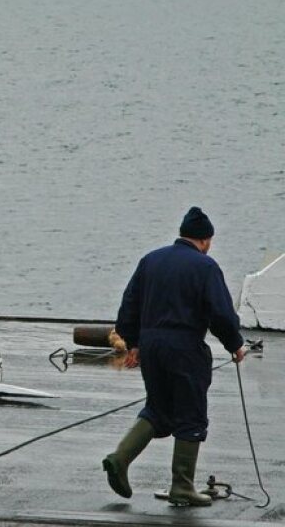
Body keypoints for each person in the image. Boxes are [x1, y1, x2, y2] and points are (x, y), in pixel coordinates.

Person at [102, 206, 246, 507]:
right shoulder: (205, 267)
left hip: (152, 346)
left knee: (158, 409)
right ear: (205, 240)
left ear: (182, 234)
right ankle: (182, 486)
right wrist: (235, 344)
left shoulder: (151, 260)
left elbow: (129, 304)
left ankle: (120, 458)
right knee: (191, 414)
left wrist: (134, 343)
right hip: (184, 348)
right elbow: (220, 313)